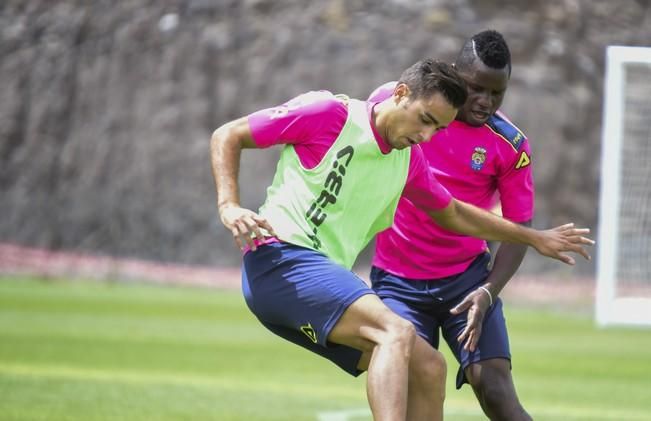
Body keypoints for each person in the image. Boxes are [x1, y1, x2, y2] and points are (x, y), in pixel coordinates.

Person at [210, 58, 593, 421]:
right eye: (425, 120)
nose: (426, 136)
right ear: (400, 94)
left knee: (428, 367)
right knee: (396, 331)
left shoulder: (408, 161)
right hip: (279, 260)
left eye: (438, 129)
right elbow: (228, 135)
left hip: (312, 279)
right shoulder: (329, 113)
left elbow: (454, 213)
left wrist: (534, 238)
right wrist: (230, 206)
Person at [368, 30, 543, 420]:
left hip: (467, 281)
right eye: (475, 88)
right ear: (454, 72)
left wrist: (489, 290)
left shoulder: (510, 145)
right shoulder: (403, 106)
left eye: (497, 93)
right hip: (398, 283)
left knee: (495, 390)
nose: (485, 102)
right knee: (414, 391)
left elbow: (519, 228)